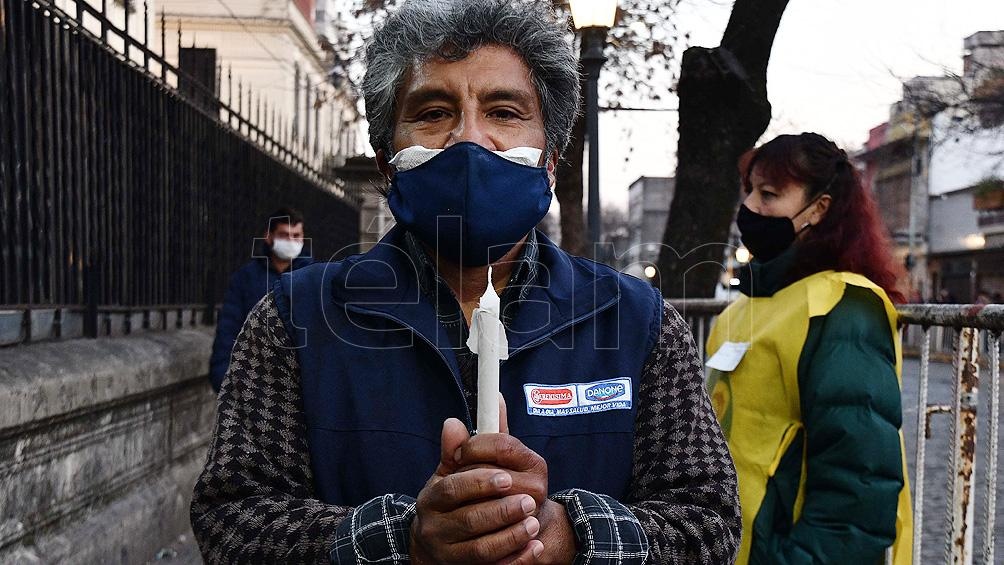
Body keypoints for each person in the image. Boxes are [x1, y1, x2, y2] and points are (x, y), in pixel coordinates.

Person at [191, 1, 741, 563]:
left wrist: (573, 537)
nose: (469, 141)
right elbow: (231, 517)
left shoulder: (637, 323)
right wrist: (400, 540)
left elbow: (710, 518)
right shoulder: (294, 318)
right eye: (433, 112)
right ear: (386, 162)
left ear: (550, 159)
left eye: (504, 111)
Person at [705, 132, 914, 564]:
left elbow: (856, 485)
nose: (751, 209)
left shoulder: (842, 308)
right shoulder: (736, 312)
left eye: (770, 194)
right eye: (750, 192)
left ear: (818, 208)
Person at [207, 207, 312, 392]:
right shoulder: (246, 278)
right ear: (269, 236)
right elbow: (228, 330)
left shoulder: (313, 278)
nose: (291, 241)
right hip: (255, 386)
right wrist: (225, 382)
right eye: (284, 235)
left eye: (296, 236)